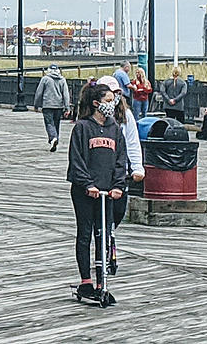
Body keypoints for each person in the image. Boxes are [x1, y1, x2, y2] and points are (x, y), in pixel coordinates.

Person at [67, 82, 127, 300]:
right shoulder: (83, 127)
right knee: (85, 233)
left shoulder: (115, 129)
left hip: (108, 192)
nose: (112, 105)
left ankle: (103, 280)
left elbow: (121, 160)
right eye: (108, 101)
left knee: (104, 235)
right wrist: (87, 184)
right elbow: (77, 160)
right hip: (86, 191)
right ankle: (86, 281)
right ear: (96, 103)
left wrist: (118, 185)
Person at [96, 75, 145, 276]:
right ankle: (101, 249)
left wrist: (137, 168)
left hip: (120, 172)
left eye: (116, 94)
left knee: (117, 212)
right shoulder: (92, 117)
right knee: (100, 218)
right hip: (99, 173)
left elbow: (133, 143)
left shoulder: (126, 115)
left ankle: (109, 238)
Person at [33, 63, 71, 152]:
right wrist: (67, 107)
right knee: (56, 123)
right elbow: (66, 94)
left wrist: (36, 105)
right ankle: (55, 138)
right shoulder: (62, 80)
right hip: (59, 106)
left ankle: (53, 138)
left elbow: (39, 93)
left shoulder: (45, 79)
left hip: (47, 105)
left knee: (49, 123)